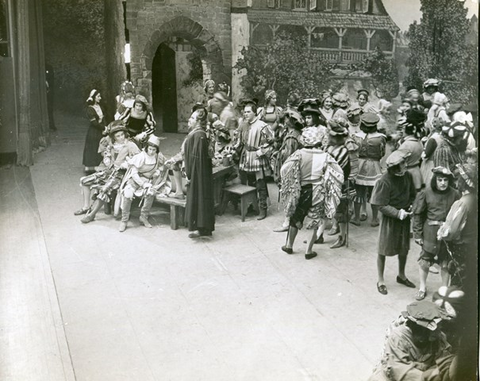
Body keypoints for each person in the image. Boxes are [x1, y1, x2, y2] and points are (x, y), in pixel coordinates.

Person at [279, 127, 343, 260]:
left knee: (295, 218)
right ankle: (308, 251)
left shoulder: (298, 153)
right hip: (317, 191)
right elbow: (339, 173)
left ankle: (289, 246)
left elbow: (284, 169)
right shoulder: (325, 156)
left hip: (300, 190)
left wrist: (293, 179)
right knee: (315, 221)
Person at [370, 149, 417, 295]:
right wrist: (397, 213)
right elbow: (380, 204)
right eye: (403, 163)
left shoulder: (407, 176)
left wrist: (410, 205)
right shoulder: (384, 181)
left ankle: (401, 275)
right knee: (383, 249)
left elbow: (412, 194)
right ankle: (381, 279)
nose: (406, 164)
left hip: (405, 218)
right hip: (390, 219)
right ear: (395, 166)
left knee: (404, 248)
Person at [368, 300, 451, 381]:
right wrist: (427, 376)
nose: (439, 331)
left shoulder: (438, 337)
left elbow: (445, 360)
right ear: (421, 330)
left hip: (423, 374)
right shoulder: (398, 337)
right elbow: (398, 369)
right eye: (436, 328)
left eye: (439, 327)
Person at [76, 121, 140, 223]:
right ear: (114, 138)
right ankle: (86, 207)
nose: (121, 138)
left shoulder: (130, 145)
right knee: (85, 181)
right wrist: (107, 159)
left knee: (105, 189)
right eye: (118, 136)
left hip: (121, 175)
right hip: (108, 171)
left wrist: (127, 163)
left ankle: (92, 215)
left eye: (122, 135)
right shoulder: (111, 146)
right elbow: (106, 158)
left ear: (125, 134)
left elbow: (139, 160)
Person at [412, 167, 460, 300]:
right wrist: (417, 234)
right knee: (425, 261)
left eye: (445, 180)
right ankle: (422, 287)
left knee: (445, 262)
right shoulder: (426, 192)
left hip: (447, 234)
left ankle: (444, 290)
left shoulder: (455, 194)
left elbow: (458, 215)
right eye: (440, 180)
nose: (443, 183)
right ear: (435, 180)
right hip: (430, 232)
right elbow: (418, 215)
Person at [437, 163, 477, 289]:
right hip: (474, 244)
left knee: (459, 278)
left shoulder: (462, 204)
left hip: (462, 247)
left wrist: (442, 232)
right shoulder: (474, 198)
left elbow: (451, 232)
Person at [118, 135, 166, 232]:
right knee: (128, 194)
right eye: (150, 149)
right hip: (136, 180)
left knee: (151, 193)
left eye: (154, 150)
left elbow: (163, 165)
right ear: (146, 148)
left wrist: (157, 171)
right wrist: (142, 184)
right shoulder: (140, 156)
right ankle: (124, 220)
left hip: (148, 181)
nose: (151, 152)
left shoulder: (158, 156)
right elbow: (134, 173)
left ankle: (143, 217)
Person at [237, 100, 275, 220]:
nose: (246, 114)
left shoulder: (262, 125)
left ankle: (263, 208)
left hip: (257, 156)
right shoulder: (243, 124)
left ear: (254, 112)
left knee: (260, 182)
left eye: (248, 112)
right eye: (245, 112)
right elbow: (239, 142)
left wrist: (262, 151)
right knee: (249, 181)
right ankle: (252, 206)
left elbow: (272, 141)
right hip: (246, 156)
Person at [184, 108, 215, 238]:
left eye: (192, 118)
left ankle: (203, 228)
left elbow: (197, 158)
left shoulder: (199, 135)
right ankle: (200, 228)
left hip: (199, 173)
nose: (189, 120)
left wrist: (190, 174)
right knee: (199, 198)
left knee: (201, 197)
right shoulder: (197, 133)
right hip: (198, 172)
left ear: (198, 121)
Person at [351, 112, 386, 227]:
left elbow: (353, 152)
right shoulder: (380, 138)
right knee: (374, 193)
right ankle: (375, 218)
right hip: (374, 166)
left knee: (358, 192)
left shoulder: (356, 136)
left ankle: (356, 217)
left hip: (359, 165)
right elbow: (382, 153)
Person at [271, 110, 304, 232]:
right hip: (296, 167)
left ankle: (287, 221)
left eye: (285, 119)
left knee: (289, 193)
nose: (284, 121)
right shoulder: (294, 133)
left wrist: (280, 157)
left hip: (290, 169)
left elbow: (289, 155)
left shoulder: (291, 137)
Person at [325, 119, 351, 249]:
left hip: (339, 184)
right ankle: (318, 235)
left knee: (340, 212)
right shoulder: (329, 148)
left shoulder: (343, 151)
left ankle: (342, 237)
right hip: (329, 183)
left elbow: (338, 170)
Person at [396, 112, 425, 192]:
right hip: (416, 171)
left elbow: (399, 160)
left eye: (402, 129)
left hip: (407, 172)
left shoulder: (406, 144)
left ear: (406, 131)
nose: (401, 131)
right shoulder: (419, 142)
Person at [83, 89, 106, 173]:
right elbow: (94, 123)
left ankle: (99, 165)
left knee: (101, 146)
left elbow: (103, 119)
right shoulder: (90, 109)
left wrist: (104, 128)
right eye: (98, 96)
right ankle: (90, 166)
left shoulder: (100, 107)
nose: (100, 98)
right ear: (93, 97)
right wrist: (104, 128)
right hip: (93, 131)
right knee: (93, 147)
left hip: (100, 130)